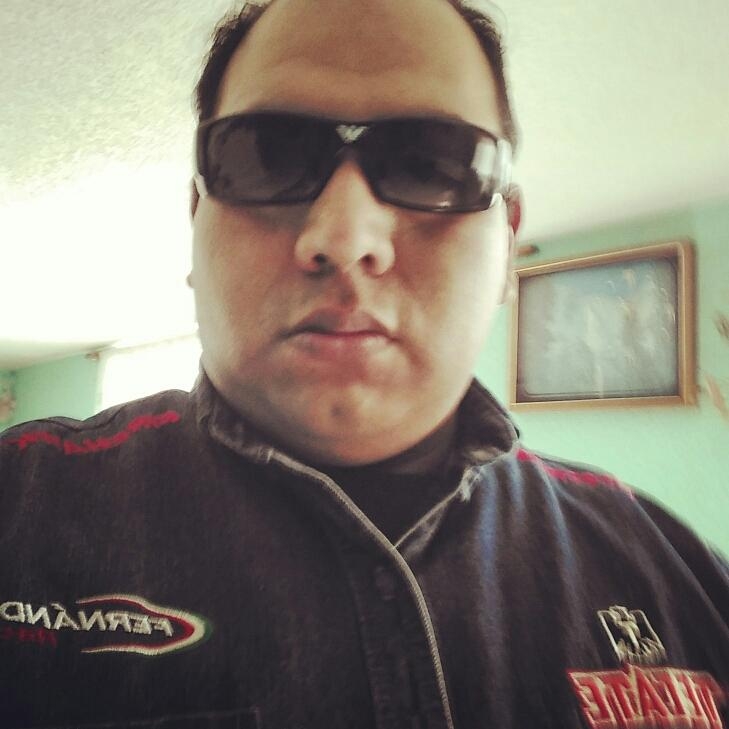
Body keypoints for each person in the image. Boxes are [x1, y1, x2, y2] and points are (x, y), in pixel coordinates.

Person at [1, 0, 727, 727]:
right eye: (266, 154)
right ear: (195, 221)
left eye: (432, 163)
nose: (345, 238)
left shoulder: (682, 578)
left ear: (507, 242)